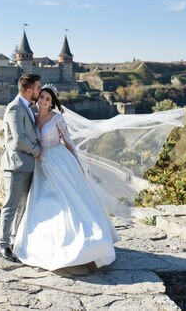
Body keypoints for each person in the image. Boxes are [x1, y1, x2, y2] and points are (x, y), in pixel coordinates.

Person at [13, 84, 120, 270]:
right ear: (37, 98)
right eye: (42, 97)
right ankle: (48, 247)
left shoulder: (57, 118)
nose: (44, 101)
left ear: (52, 102)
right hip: (40, 164)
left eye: (48, 99)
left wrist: (77, 164)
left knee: (70, 201)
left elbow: (68, 142)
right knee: (43, 204)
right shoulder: (32, 117)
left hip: (59, 161)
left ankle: (87, 247)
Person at [0, 74, 42, 262]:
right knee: (10, 206)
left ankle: (16, 241)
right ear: (30, 90)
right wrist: (37, 151)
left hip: (28, 165)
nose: (39, 92)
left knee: (23, 206)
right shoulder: (15, 108)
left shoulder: (28, 108)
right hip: (16, 165)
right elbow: (19, 139)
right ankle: (3, 245)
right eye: (38, 88)